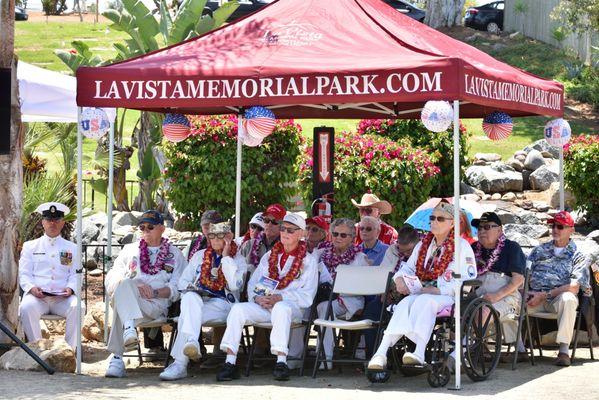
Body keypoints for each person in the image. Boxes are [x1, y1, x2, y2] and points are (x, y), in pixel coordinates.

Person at [367, 202, 476, 369]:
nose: (434, 222)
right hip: (420, 291)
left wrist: (439, 289)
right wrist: (400, 279)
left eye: (440, 219)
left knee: (425, 301)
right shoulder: (423, 245)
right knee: (404, 303)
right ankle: (380, 353)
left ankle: (419, 351)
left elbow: (468, 277)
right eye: (432, 218)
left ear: (452, 223)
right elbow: (407, 268)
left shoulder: (462, 246)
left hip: (447, 296)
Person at [217, 213, 318, 382]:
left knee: (281, 307)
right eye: (283, 228)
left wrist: (280, 297)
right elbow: (253, 284)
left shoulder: (309, 261)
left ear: (301, 234)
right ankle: (230, 362)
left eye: (291, 230)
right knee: (238, 309)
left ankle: (281, 362)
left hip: (292, 309)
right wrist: (257, 298)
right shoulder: (270, 256)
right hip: (265, 305)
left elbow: (307, 296)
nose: (285, 233)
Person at [159, 222, 247, 381]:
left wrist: (226, 257)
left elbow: (235, 285)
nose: (214, 240)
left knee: (186, 317)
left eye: (219, 236)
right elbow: (182, 281)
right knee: (190, 298)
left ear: (228, 237)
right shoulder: (200, 255)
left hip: (223, 304)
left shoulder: (238, 259)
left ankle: (180, 364)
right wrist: (193, 287)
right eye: (211, 236)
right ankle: (192, 341)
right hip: (199, 301)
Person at [104, 210, 186, 378]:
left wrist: (155, 292)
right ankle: (128, 331)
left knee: (122, 304)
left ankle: (117, 358)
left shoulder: (175, 254)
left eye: (150, 227)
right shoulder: (130, 250)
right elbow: (112, 277)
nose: (145, 231)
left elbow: (179, 288)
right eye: (142, 227)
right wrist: (136, 284)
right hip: (132, 299)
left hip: (156, 304)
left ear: (162, 229)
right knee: (124, 284)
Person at [527, 211, 590, 367]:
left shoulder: (578, 255)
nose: (555, 229)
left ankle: (563, 351)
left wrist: (545, 294)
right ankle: (520, 350)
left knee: (569, 298)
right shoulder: (538, 251)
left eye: (560, 226)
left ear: (571, 230)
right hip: (534, 299)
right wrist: (525, 292)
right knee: (512, 296)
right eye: (553, 225)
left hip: (557, 300)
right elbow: (524, 275)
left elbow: (575, 287)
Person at [19, 202, 80, 349]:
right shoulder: (30, 246)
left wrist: (71, 289)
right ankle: (37, 349)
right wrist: (32, 288)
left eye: (57, 219)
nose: (52, 223)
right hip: (38, 297)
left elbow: (76, 274)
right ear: (43, 222)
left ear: (63, 223)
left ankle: (69, 350)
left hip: (62, 298)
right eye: (48, 219)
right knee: (26, 307)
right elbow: (24, 273)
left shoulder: (72, 248)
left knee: (78, 306)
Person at [312, 218, 368, 369]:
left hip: (349, 300)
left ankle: (325, 358)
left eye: (343, 235)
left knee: (324, 308)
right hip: (321, 296)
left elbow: (365, 286)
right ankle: (294, 358)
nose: (338, 237)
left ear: (352, 238)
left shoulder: (359, 257)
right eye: (335, 234)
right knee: (310, 307)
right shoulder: (321, 253)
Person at [470, 212, 525, 359]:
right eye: (479, 228)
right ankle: (476, 347)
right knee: (454, 310)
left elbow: (518, 280)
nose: (481, 231)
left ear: (500, 230)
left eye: (487, 227)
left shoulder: (511, 248)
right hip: (478, 296)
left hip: (507, 297)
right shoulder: (473, 248)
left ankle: (474, 349)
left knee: (484, 311)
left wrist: (496, 296)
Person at [362, 225, 420, 358]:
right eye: (402, 250)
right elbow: (384, 274)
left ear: (416, 244)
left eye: (409, 251)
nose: (405, 254)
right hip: (389, 296)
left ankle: (405, 355)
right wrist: (384, 291)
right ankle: (374, 357)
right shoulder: (393, 250)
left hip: (412, 297)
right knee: (371, 312)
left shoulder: (423, 252)